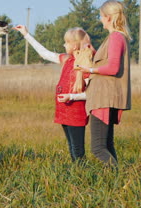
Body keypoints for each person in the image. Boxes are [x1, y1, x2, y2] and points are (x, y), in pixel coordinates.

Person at [14, 25, 94, 162]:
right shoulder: (67, 60)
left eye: (67, 42)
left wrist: (71, 97)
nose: (64, 44)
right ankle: (77, 174)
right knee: (71, 146)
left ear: (74, 46)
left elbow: (91, 94)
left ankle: (83, 174)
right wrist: (26, 34)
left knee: (78, 149)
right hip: (64, 111)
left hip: (77, 113)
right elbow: (44, 53)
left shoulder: (86, 65)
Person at [78, 0, 132, 166]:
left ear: (108, 17)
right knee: (107, 145)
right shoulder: (116, 38)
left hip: (104, 97)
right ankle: (116, 182)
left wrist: (89, 70)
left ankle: (116, 178)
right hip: (107, 96)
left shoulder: (116, 37)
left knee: (98, 147)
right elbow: (108, 62)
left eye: (101, 16)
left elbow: (113, 68)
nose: (100, 19)